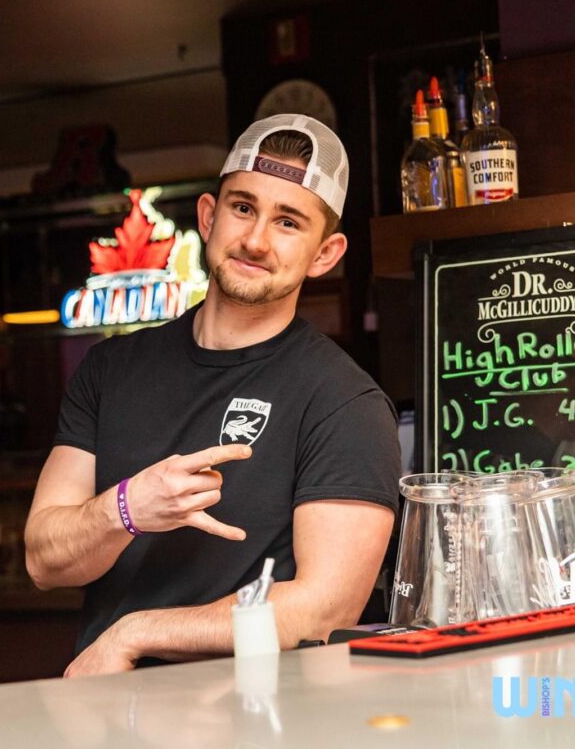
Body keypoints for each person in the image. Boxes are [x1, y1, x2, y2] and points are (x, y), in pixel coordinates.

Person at [24, 114, 401, 677]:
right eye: (243, 208)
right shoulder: (110, 368)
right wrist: (127, 508)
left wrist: (136, 632)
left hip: (256, 714)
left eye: (288, 222)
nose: (255, 240)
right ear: (208, 215)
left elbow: (324, 609)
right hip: (107, 708)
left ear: (325, 254)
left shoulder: (345, 402)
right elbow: (44, 561)